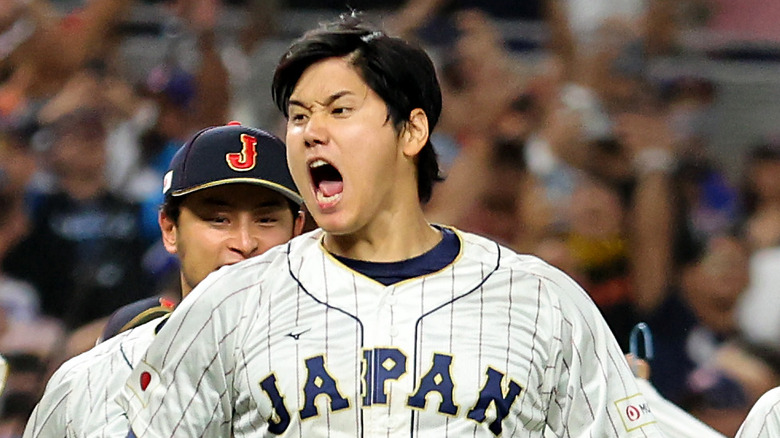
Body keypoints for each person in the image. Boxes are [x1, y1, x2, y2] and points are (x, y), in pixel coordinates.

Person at [120, 15, 665, 437]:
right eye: (299, 115)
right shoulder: (229, 303)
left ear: (411, 132)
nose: (310, 131)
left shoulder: (542, 300)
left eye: (339, 110)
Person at [22, 122, 306, 437]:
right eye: (218, 219)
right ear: (169, 229)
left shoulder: (348, 350)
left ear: (297, 230)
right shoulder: (87, 381)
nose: (244, 241)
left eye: (266, 220)